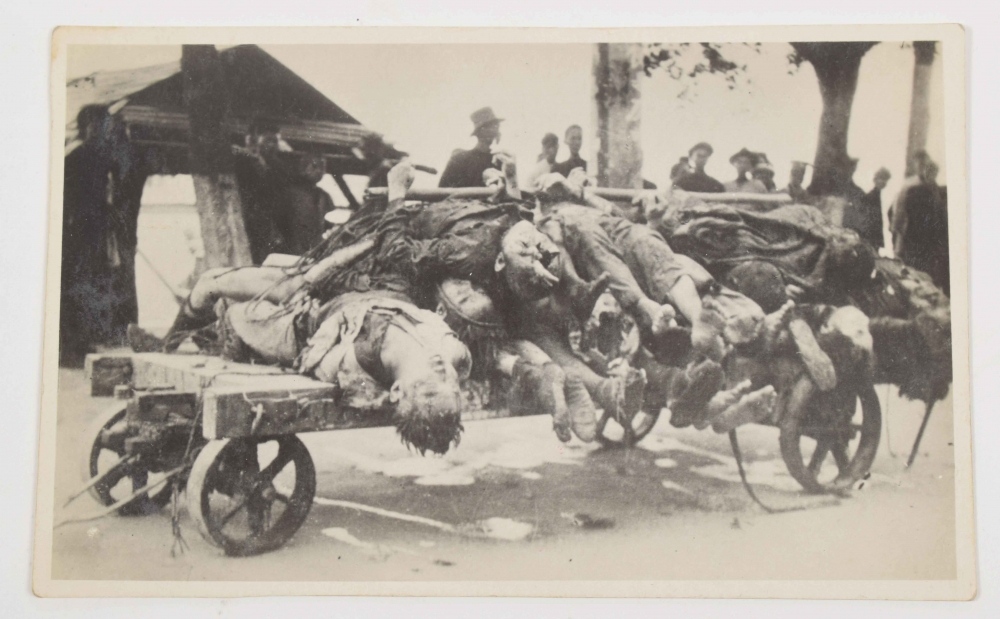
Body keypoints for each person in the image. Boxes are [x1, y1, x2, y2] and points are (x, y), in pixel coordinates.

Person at [893, 161, 949, 295]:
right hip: (919, 243)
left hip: (925, 244)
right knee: (917, 277)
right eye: (930, 172)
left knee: (922, 278)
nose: (932, 175)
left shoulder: (934, 192)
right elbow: (906, 217)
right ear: (924, 172)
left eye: (934, 173)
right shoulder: (917, 191)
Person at [272, 152, 335, 255]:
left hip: (317, 249)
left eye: (323, 168)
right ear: (303, 168)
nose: (319, 171)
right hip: (293, 249)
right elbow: (278, 222)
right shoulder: (289, 194)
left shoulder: (324, 196)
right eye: (314, 166)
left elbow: (329, 223)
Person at [438, 107, 503, 188]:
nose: (496, 131)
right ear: (480, 131)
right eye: (491, 127)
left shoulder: (500, 160)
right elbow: (443, 189)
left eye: (497, 127)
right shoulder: (460, 158)